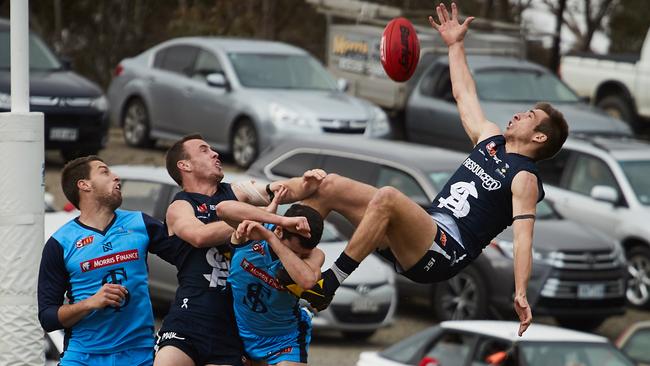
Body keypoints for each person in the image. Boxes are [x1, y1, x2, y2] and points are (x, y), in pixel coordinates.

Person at [299, 2, 569, 336]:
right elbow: (463, 94)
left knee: (388, 197)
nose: (518, 115)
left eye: (528, 116)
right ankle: (291, 262)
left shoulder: (524, 177)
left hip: (444, 251)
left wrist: (520, 290)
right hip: (421, 232)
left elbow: (524, 237)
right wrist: (455, 45)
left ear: (540, 136)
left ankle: (326, 285)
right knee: (330, 186)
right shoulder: (491, 139)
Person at [154, 134, 326, 366]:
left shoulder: (236, 192)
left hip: (232, 326)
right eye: (204, 150)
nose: (215, 153)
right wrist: (258, 223)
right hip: (192, 313)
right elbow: (199, 236)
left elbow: (279, 189)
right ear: (185, 165)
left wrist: (306, 183)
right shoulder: (181, 206)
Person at [38, 156, 180, 366]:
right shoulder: (60, 243)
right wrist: (90, 303)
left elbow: (190, 259)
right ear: (84, 185)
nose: (116, 177)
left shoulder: (140, 223)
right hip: (82, 356)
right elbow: (48, 317)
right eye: (105, 172)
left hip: (139, 354)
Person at [216, 191, 325, 366]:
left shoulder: (314, 255)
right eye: (293, 251)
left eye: (302, 255)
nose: (297, 257)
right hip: (236, 331)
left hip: (283, 339)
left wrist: (270, 238)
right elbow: (222, 209)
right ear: (280, 230)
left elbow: (307, 281)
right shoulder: (253, 231)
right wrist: (277, 221)